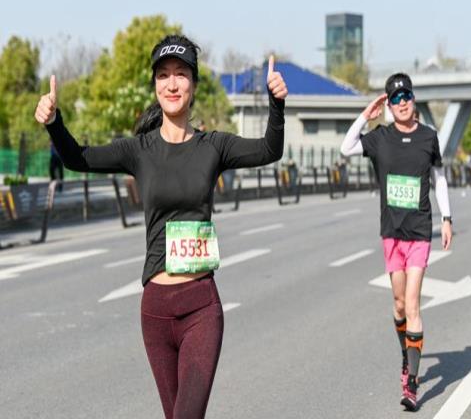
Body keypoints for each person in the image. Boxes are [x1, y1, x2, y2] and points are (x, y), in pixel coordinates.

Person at [34, 34, 288, 419]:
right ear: (155, 85)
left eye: (181, 74)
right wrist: (54, 123)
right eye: (163, 75)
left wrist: (276, 103)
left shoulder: (213, 146)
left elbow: (270, 149)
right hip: (155, 310)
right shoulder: (139, 150)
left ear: (194, 84)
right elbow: (78, 158)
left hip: (201, 307)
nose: (172, 83)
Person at [340, 72, 452, 411]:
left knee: (413, 304)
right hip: (391, 232)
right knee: (400, 305)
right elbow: (346, 147)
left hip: (419, 231)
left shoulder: (429, 137)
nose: (402, 103)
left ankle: (412, 384)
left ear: (413, 99)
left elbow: (439, 178)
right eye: (395, 99)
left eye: (406, 97)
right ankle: (407, 353)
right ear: (388, 105)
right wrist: (366, 114)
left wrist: (447, 218)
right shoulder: (381, 138)